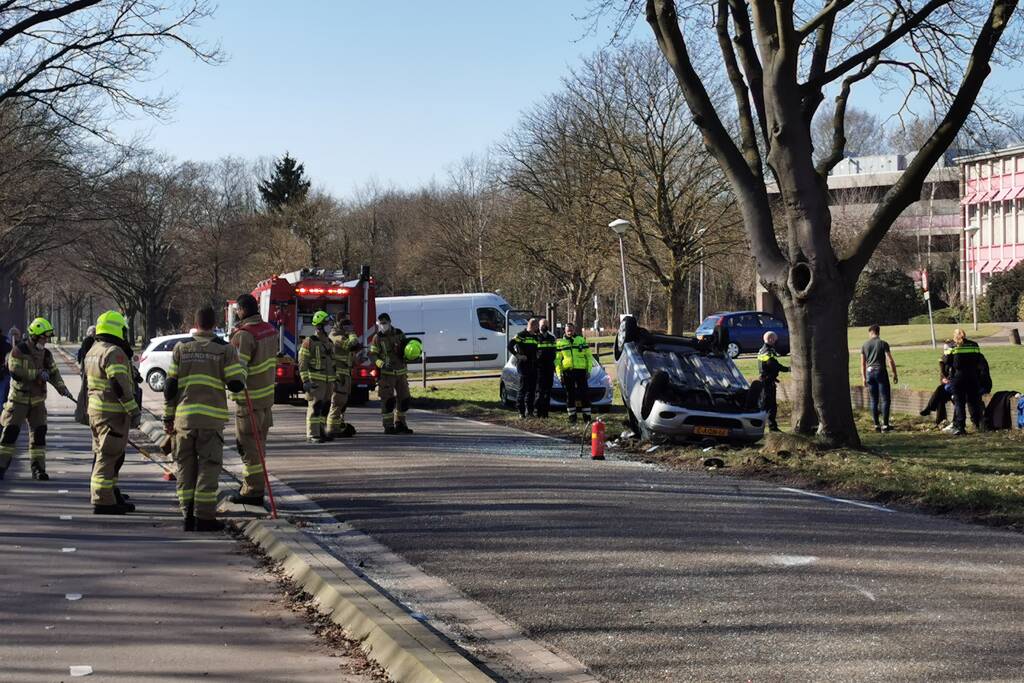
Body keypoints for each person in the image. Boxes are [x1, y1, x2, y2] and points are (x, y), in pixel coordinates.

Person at [164, 307, 245, 532]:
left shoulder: (181, 348)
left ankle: (187, 515)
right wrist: (241, 371)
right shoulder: (225, 349)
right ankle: (205, 517)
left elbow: (170, 388)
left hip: (184, 420)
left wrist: (168, 418)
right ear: (214, 323)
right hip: (211, 422)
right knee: (208, 468)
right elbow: (236, 383)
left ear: (196, 323)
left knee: (184, 468)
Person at [0, 318, 73, 480]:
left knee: (39, 435)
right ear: (34, 336)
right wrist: (37, 374)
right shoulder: (18, 350)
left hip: (38, 401)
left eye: (47, 338)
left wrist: (62, 388)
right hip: (18, 400)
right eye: (43, 337)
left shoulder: (46, 354)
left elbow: (54, 373)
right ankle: (1, 466)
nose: (45, 341)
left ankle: (38, 469)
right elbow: (14, 370)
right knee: (10, 433)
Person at [84, 312, 141, 514]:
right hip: (111, 414)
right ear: (116, 328)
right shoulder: (113, 352)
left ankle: (110, 493)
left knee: (110, 454)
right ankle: (102, 500)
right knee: (108, 456)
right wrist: (133, 410)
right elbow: (119, 384)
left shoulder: (93, 350)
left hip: (97, 412)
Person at [228, 294, 277, 505]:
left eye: (237, 310)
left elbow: (238, 371)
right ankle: (254, 484)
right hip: (266, 400)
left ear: (242, 310)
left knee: (247, 448)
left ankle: (252, 491)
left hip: (248, 402)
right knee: (260, 447)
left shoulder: (244, 336)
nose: (236, 313)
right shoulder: (269, 330)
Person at [370, 312, 413, 434]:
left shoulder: (399, 334)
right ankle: (388, 426)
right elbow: (373, 355)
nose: (382, 326)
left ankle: (400, 423)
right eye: (380, 323)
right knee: (387, 401)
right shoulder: (377, 338)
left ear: (389, 322)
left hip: (401, 373)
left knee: (404, 399)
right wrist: (380, 364)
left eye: (384, 323)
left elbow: (408, 348)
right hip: (386, 374)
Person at [298, 310, 335, 444]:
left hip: (328, 381)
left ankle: (321, 432)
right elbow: (302, 363)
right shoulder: (309, 341)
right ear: (319, 326)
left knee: (324, 408)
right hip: (316, 381)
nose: (330, 326)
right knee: (315, 406)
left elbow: (332, 362)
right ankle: (312, 434)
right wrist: (306, 381)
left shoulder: (329, 342)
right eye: (327, 324)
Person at [946, 327, 990, 436]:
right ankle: (977, 423)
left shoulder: (952, 346)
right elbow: (979, 360)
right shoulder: (974, 345)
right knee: (973, 401)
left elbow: (947, 362)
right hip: (972, 377)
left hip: (958, 378)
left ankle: (961, 427)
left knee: (959, 403)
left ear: (955, 336)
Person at [860, 325, 899, 433]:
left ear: (871, 332)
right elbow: (890, 360)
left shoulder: (864, 345)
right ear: (878, 332)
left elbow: (862, 363)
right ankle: (885, 424)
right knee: (885, 399)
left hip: (869, 372)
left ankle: (876, 424)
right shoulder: (883, 343)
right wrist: (894, 374)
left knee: (874, 399)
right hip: (880, 371)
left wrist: (863, 377)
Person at [327, 318, 361, 438]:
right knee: (337, 401)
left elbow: (348, 354)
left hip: (344, 375)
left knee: (342, 403)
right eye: (348, 328)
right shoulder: (337, 337)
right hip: (338, 376)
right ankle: (332, 428)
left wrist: (357, 359)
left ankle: (338, 425)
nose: (350, 330)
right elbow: (351, 344)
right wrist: (352, 333)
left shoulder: (340, 336)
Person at [555, 322, 593, 424]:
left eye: (571, 330)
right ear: (565, 331)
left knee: (584, 394)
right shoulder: (560, 343)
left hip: (581, 371)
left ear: (574, 330)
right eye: (568, 330)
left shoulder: (581, 340)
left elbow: (589, 357)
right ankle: (572, 418)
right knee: (570, 395)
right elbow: (557, 361)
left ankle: (587, 418)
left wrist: (588, 370)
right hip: (568, 372)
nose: (570, 332)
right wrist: (559, 374)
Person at [508, 318, 540, 418]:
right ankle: (521, 412)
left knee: (532, 390)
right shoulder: (521, 335)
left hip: (533, 365)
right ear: (533, 325)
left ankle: (529, 411)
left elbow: (537, 349)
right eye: (537, 326)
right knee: (523, 389)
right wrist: (518, 355)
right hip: (524, 365)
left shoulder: (535, 337)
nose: (538, 328)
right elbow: (510, 346)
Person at [757, 331, 789, 432]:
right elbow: (773, 364)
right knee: (770, 405)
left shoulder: (762, 350)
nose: (776, 342)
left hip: (765, 380)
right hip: (768, 381)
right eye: (775, 340)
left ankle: (763, 426)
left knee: (765, 405)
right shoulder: (768, 351)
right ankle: (772, 428)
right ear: (770, 339)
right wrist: (787, 369)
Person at [920, 340, 955, 429]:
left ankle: (929, 409)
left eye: (947, 349)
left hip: (955, 387)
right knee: (939, 397)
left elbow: (956, 375)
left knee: (939, 390)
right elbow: (942, 377)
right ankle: (940, 421)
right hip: (948, 387)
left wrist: (949, 381)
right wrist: (943, 379)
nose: (945, 351)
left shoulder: (955, 359)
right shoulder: (943, 360)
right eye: (944, 349)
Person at [535, 318, 557, 418]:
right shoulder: (535, 337)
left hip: (549, 367)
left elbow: (555, 352)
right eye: (543, 324)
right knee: (539, 391)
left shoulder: (551, 337)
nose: (545, 326)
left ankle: (545, 413)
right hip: (539, 368)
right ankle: (538, 412)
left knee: (548, 391)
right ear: (539, 326)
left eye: (546, 324)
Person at [0, 328, 11, 406]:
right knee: (2, 396)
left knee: (2, 396)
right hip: (4, 373)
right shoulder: (6, 341)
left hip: (3, 373)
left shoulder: (5, 341)